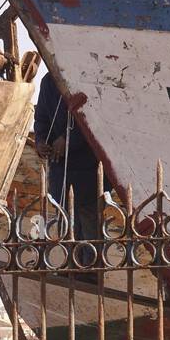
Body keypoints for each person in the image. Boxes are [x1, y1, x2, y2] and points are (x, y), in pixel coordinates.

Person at [33, 74, 103, 238]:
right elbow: (41, 119)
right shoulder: (49, 81)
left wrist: (68, 139)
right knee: (67, 231)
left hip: (88, 170)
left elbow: (95, 117)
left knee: (90, 233)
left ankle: (90, 263)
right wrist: (41, 141)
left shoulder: (86, 74)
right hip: (61, 172)